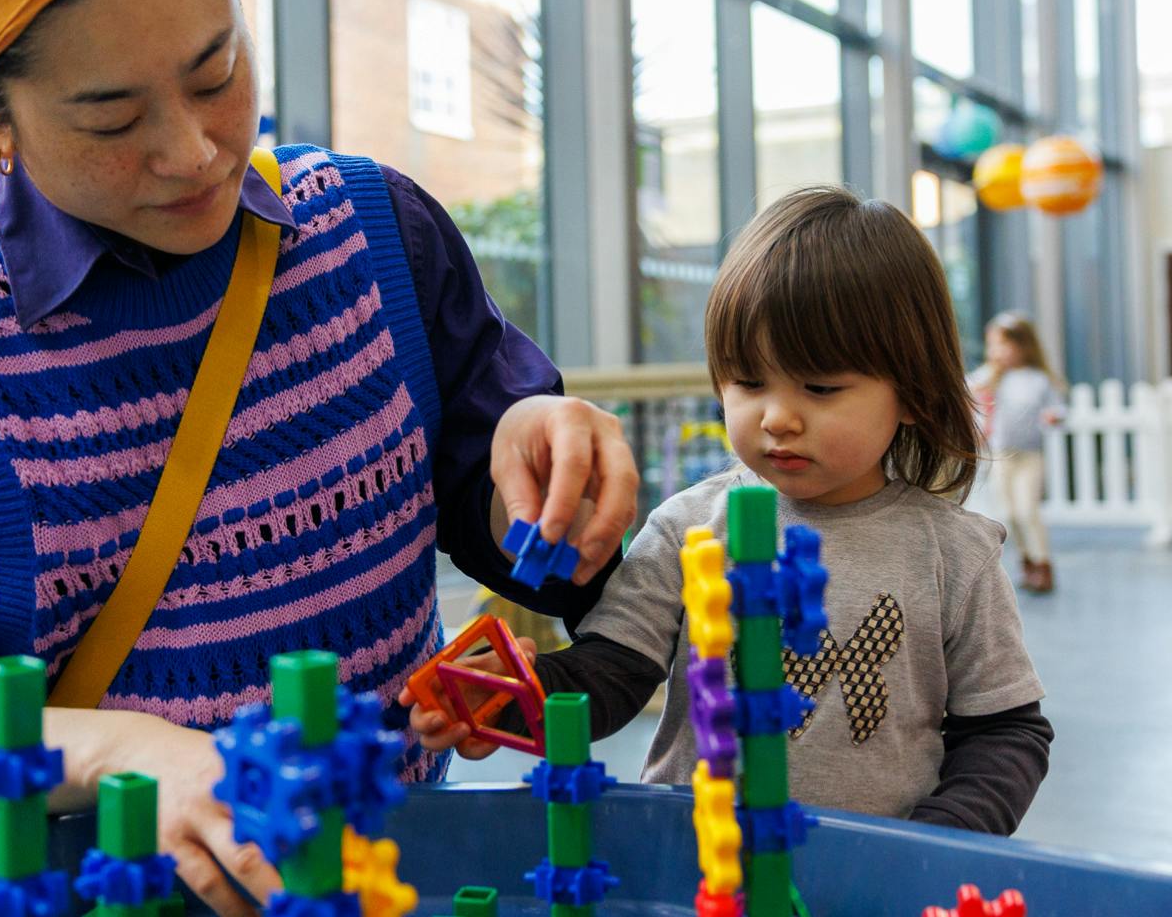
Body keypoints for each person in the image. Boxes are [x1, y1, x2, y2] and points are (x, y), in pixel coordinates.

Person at [0, 0, 639, 914]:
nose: (194, 152)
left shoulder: (372, 234)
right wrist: (128, 752)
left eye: (219, 74)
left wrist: (553, 471)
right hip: (88, 885)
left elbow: (525, 538)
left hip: (385, 875)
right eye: (114, 119)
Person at [406, 187, 1052, 835]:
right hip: (703, 869)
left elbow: (1006, 730)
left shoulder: (954, 555)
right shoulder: (688, 529)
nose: (776, 416)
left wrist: (937, 843)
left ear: (911, 393)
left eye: (820, 388)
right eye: (748, 381)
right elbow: (611, 671)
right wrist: (516, 699)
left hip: (872, 884)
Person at [970, 313, 1065, 594]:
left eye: (1004, 345)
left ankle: (1042, 562)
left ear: (1023, 346)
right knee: (1008, 512)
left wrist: (1054, 417)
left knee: (1027, 509)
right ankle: (1027, 561)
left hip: (1029, 455)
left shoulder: (1038, 379)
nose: (998, 352)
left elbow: (1058, 408)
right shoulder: (990, 376)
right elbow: (967, 393)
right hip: (1001, 455)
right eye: (994, 345)